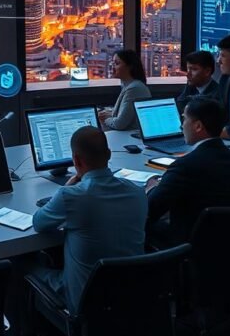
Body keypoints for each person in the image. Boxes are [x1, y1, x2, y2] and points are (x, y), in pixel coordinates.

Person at [31, 126, 147, 314]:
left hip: (86, 303)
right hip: (131, 295)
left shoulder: (72, 196)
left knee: (24, 264)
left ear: (75, 160)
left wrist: (65, 189)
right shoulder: (137, 193)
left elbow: (39, 223)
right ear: (109, 154)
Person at [146, 97, 230, 246]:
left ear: (198, 126)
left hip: (190, 247)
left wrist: (152, 188)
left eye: (184, 119)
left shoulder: (185, 166)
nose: (180, 125)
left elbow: (150, 211)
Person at [99, 49, 152, 131]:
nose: (112, 67)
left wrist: (105, 119)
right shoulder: (129, 85)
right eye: (112, 63)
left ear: (130, 66)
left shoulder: (135, 88)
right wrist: (108, 114)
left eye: (117, 63)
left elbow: (119, 124)